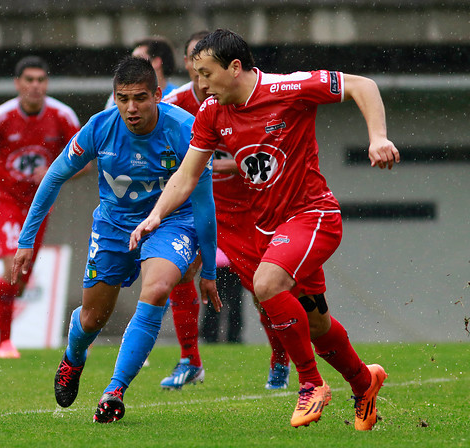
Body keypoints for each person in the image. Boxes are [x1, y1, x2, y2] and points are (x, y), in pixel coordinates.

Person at [131, 29, 400, 430]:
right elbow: (187, 176)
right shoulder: (210, 112)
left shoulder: (290, 87)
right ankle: (364, 381)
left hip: (313, 215)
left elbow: (363, 85)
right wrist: (155, 215)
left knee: (267, 284)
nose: (199, 83)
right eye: (195, 73)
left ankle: (310, 384)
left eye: (205, 73)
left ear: (234, 67)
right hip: (268, 229)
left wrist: (377, 137)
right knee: (317, 324)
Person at [12, 56, 220, 423]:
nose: (131, 107)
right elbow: (54, 177)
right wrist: (26, 241)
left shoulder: (186, 130)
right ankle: (74, 358)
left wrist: (209, 269)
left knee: (156, 290)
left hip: (172, 222)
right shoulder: (99, 128)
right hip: (113, 225)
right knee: (92, 318)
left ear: (158, 95)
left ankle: (114, 391)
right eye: (123, 98)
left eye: (140, 97)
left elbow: (204, 202)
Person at [162, 30, 290, 389]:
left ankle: (280, 357)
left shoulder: (244, 95)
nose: (197, 69)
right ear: (187, 63)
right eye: (191, 60)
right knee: (177, 273)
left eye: (204, 63)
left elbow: (270, 146)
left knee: (263, 291)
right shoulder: (173, 105)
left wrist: (233, 163)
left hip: (245, 210)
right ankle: (190, 359)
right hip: (193, 210)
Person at [0, 55, 82, 359]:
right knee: (12, 268)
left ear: (46, 83)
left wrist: (58, 171)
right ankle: (5, 343)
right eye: (29, 80)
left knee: (21, 280)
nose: (35, 86)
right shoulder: (0, 117)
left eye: (41, 80)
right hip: (6, 202)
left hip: (39, 206)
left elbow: (85, 161)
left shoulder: (63, 116)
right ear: (18, 84)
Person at [104, 36, 178, 109]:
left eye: (138, 58)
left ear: (156, 62)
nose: (132, 63)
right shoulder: (120, 95)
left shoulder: (178, 95)